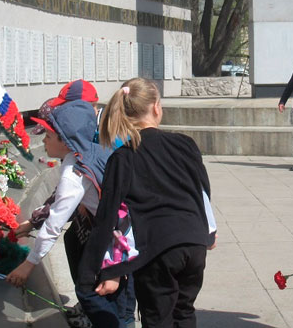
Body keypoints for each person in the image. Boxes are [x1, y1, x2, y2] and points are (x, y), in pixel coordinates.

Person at [77, 78, 217, 328]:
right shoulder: (185, 144)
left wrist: (92, 271)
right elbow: (202, 190)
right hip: (193, 243)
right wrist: (210, 231)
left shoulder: (124, 156)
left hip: (157, 250)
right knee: (184, 311)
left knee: (157, 317)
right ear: (156, 107)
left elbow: (109, 214)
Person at [7, 97, 133, 328]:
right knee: (113, 302)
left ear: (66, 142)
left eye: (49, 136)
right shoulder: (91, 152)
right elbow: (57, 200)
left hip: (121, 244)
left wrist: (29, 264)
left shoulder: (74, 173)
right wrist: (32, 222)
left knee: (110, 306)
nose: (43, 141)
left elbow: (55, 223)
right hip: (123, 236)